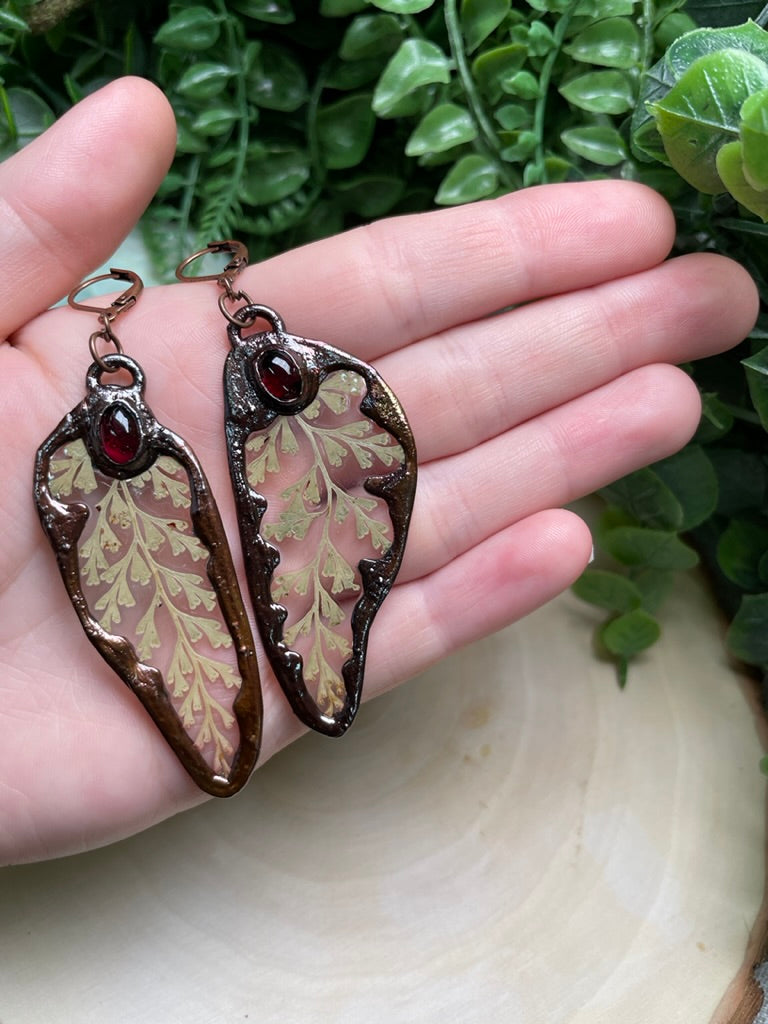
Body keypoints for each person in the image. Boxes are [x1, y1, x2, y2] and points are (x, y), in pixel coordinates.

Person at [0, 77, 758, 866]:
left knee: (316, 630)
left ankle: (317, 678)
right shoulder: (89, 457)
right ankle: (285, 697)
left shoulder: (314, 394)